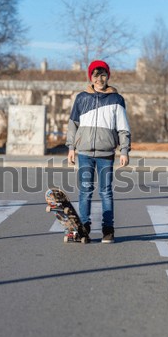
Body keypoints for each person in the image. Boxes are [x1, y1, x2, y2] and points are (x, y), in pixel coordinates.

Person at [66, 60, 131, 243]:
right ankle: (84, 227)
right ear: (91, 77)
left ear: (108, 76)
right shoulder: (81, 98)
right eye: (96, 75)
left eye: (103, 75)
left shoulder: (116, 99)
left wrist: (124, 150)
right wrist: (71, 148)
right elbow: (73, 125)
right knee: (85, 191)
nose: (100, 79)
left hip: (106, 154)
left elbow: (123, 128)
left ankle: (108, 230)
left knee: (105, 192)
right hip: (84, 153)